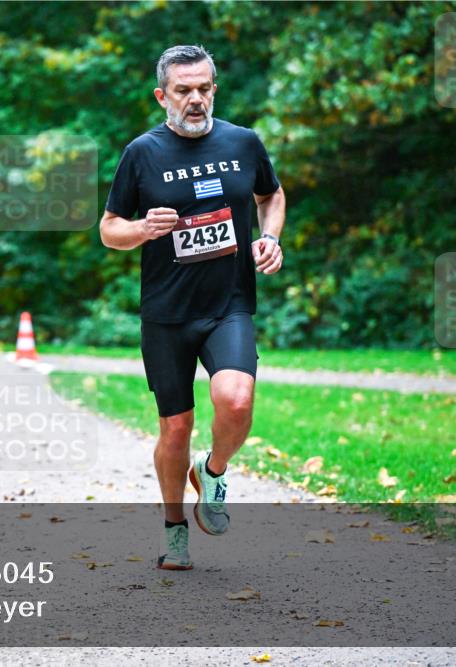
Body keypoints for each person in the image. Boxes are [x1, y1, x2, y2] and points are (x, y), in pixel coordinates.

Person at [99, 45, 285, 570]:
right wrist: (141, 229)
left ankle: (215, 469)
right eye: (184, 90)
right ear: (163, 95)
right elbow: (109, 229)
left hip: (227, 305)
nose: (196, 98)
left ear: (214, 90)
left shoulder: (242, 142)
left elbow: (271, 195)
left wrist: (270, 238)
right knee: (175, 428)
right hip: (166, 313)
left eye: (204, 88)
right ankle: (174, 528)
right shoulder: (142, 153)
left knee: (237, 400)